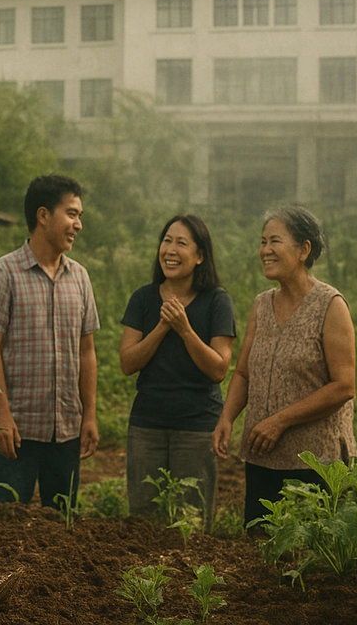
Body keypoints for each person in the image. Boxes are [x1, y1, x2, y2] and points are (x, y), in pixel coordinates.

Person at [211, 205, 357, 527]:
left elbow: (344, 386)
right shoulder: (262, 304)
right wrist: (227, 418)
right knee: (261, 553)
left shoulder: (330, 305)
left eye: (274, 241)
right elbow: (245, 372)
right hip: (262, 454)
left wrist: (279, 421)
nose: (265, 250)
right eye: (263, 242)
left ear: (304, 249)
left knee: (308, 559)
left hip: (315, 461)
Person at [0, 174, 100, 508]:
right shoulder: (3, 273)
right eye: (72, 214)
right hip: (17, 429)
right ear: (43, 215)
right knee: (7, 524)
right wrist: (1, 414)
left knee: (60, 528)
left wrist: (90, 415)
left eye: (80, 216)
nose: (78, 225)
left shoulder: (80, 277)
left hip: (66, 429)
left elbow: (86, 351)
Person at [119, 214, 235, 528]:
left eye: (181, 243)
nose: (170, 249)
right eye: (167, 240)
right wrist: (161, 327)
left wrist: (184, 329)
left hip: (197, 426)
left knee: (191, 523)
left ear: (200, 256)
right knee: (144, 521)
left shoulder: (217, 301)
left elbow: (219, 369)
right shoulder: (143, 298)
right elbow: (128, 362)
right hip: (147, 424)